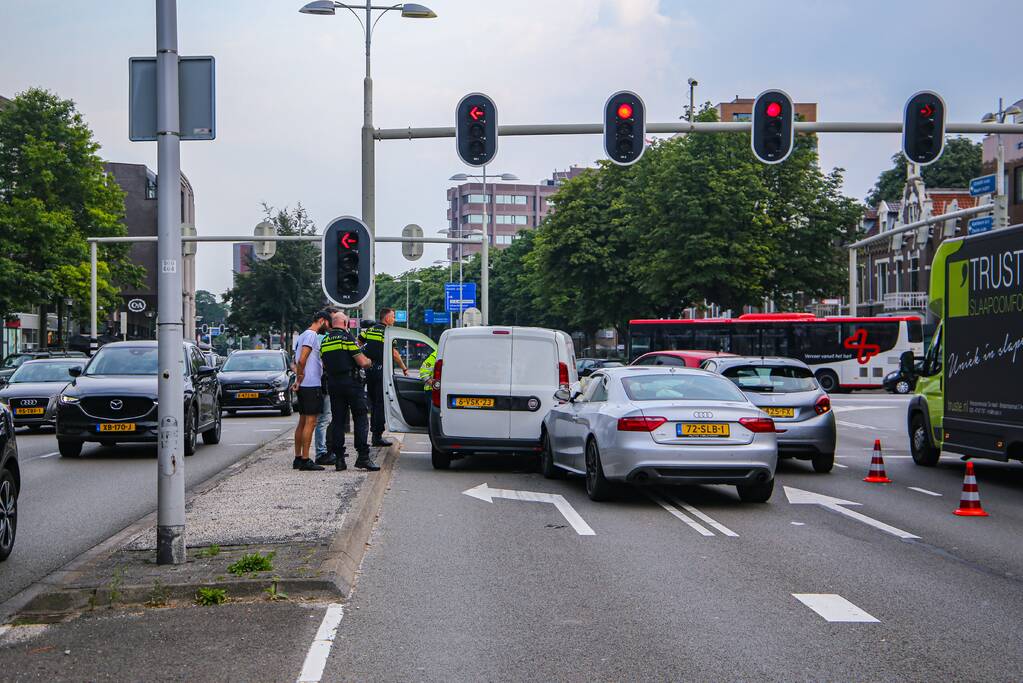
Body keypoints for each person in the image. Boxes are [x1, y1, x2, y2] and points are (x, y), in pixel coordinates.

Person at [321, 309, 379, 471]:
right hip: (351, 384)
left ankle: (339, 459)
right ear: (345, 324)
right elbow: (361, 361)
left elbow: (324, 364)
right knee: (360, 417)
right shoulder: (347, 338)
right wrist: (369, 361)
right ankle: (363, 456)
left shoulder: (325, 341)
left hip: (333, 384)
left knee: (338, 420)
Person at [359, 308, 407, 447]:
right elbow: (395, 354)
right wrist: (404, 368)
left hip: (370, 371)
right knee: (381, 404)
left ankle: (374, 433)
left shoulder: (370, 330)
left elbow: (359, 342)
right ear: (386, 318)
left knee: (373, 403)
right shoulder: (388, 332)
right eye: (392, 317)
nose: (394, 319)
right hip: (382, 371)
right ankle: (377, 436)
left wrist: (367, 354)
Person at [291, 311, 331, 471]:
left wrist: (298, 380)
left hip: (304, 385)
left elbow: (296, 360)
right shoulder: (311, 335)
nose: (327, 328)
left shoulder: (302, 335)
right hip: (311, 384)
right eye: (327, 324)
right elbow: (302, 359)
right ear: (321, 321)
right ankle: (306, 459)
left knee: (302, 421)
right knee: (311, 422)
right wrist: (300, 377)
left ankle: (298, 457)